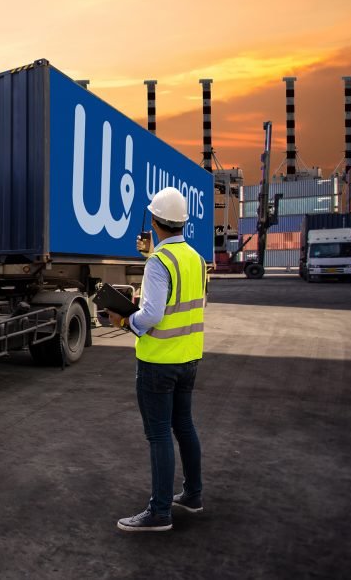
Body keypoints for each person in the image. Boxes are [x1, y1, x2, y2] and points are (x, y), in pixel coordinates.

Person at [107, 186, 207, 533]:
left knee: (159, 435)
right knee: (184, 427)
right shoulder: (196, 259)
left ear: (154, 222)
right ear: (182, 223)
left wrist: (124, 321)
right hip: (189, 358)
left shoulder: (157, 262)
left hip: (159, 362)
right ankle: (192, 495)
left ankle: (160, 511)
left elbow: (150, 314)